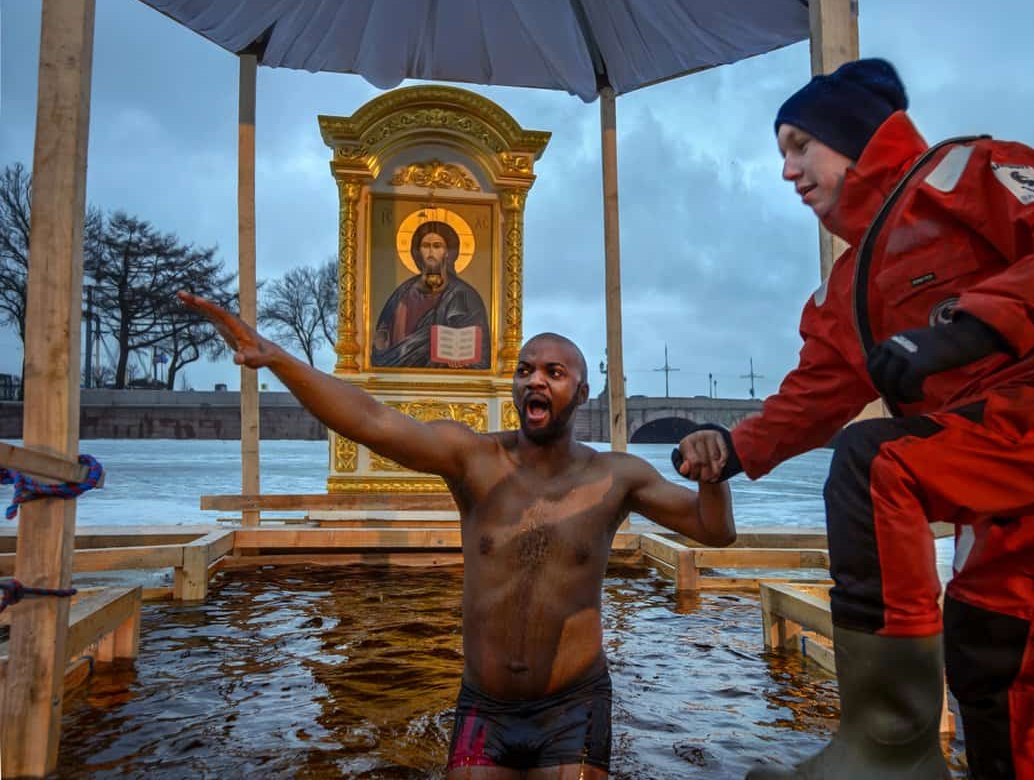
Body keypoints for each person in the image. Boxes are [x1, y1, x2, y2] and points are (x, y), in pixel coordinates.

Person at [675, 58, 1034, 780]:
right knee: (995, 650)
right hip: (1009, 449)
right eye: (780, 153)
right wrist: (734, 449)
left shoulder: (965, 172)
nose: (787, 170)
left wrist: (963, 328)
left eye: (800, 145)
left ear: (855, 135)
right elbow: (818, 390)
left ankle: (887, 753)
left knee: (877, 462)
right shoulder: (846, 287)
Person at [179, 290, 736, 779]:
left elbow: (715, 531)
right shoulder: (474, 460)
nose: (535, 379)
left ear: (582, 393)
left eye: (554, 372)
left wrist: (715, 470)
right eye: (525, 370)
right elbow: (370, 420)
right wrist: (277, 358)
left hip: (574, 704)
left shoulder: (616, 476)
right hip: (483, 706)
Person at [372, 220, 491, 369]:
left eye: (437, 246)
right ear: (417, 252)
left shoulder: (464, 294)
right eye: (425, 246)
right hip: (400, 381)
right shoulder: (403, 292)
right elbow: (381, 344)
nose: (430, 252)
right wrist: (381, 341)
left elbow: (480, 352)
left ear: (448, 252)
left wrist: (461, 360)